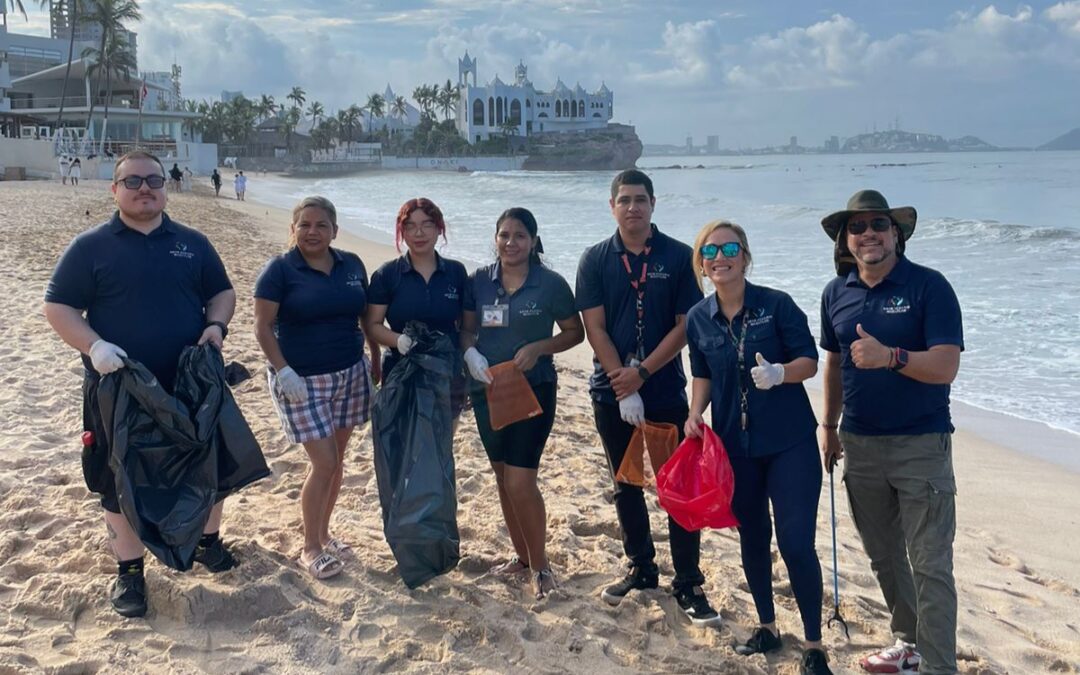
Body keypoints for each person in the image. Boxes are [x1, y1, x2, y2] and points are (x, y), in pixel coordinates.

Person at [44, 150, 238, 618]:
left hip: (191, 382)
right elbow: (59, 308)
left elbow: (222, 292)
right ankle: (129, 574)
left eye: (153, 180)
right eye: (132, 182)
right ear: (114, 190)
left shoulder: (192, 242)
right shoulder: (90, 246)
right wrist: (94, 347)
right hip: (118, 386)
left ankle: (208, 542)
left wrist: (216, 327)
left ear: (165, 188)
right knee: (118, 478)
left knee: (211, 468)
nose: (145, 188)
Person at [819, 190, 963, 675]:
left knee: (930, 566)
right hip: (859, 444)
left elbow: (946, 366)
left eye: (878, 224)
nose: (868, 234)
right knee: (884, 557)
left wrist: (891, 358)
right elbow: (835, 363)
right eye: (856, 227)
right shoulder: (836, 293)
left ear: (896, 234)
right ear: (846, 240)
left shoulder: (929, 287)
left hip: (921, 446)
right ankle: (908, 645)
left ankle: (940, 667)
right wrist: (828, 425)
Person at [684, 220, 832, 674]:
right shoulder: (698, 318)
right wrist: (695, 413)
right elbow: (703, 374)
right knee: (752, 536)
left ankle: (813, 646)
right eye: (710, 252)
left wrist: (781, 374)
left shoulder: (776, 305)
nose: (720, 257)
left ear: (745, 256)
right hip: (735, 445)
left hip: (790, 443)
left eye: (730, 248)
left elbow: (810, 361)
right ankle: (766, 627)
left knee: (795, 543)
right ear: (702, 265)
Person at [575, 169, 718, 624]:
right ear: (612, 205)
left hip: (663, 391)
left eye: (640, 199)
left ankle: (689, 582)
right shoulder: (595, 259)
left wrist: (642, 373)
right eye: (625, 200)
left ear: (653, 204)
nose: (633, 207)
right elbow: (593, 327)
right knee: (626, 484)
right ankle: (641, 566)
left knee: (678, 487)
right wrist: (621, 379)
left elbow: (684, 326)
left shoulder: (678, 258)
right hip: (610, 391)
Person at [253, 195, 379, 581]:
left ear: (334, 231)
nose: (312, 232)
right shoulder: (279, 270)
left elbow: (365, 316)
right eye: (304, 225)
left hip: (350, 374)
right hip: (301, 380)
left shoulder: (352, 265)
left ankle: (324, 534)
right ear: (293, 230)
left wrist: (375, 358)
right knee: (323, 462)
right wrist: (283, 370)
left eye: (321, 225)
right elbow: (261, 326)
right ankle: (309, 548)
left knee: (337, 462)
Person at [461, 207, 584, 600]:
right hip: (487, 390)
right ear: (495, 239)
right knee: (501, 477)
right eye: (504, 236)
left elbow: (573, 333)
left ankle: (542, 565)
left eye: (519, 236)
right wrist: (470, 355)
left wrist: (539, 348)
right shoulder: (478, 281)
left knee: (520, 480)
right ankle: (522, 557)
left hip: (534, 391)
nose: (511, 243)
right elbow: (465, 331)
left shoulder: (550, 284)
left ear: (533, 241)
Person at [363, 198, 468, 418]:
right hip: (402, 370)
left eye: (427, 224)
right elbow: (373, 325)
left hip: (447, 371)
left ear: (439, 229)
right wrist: (398, 340)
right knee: (404, 444)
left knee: (442, 443)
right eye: (410, 225)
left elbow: (466, 326)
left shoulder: (456, 272)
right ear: (402, 231)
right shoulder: (387, 274)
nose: (419, 233)